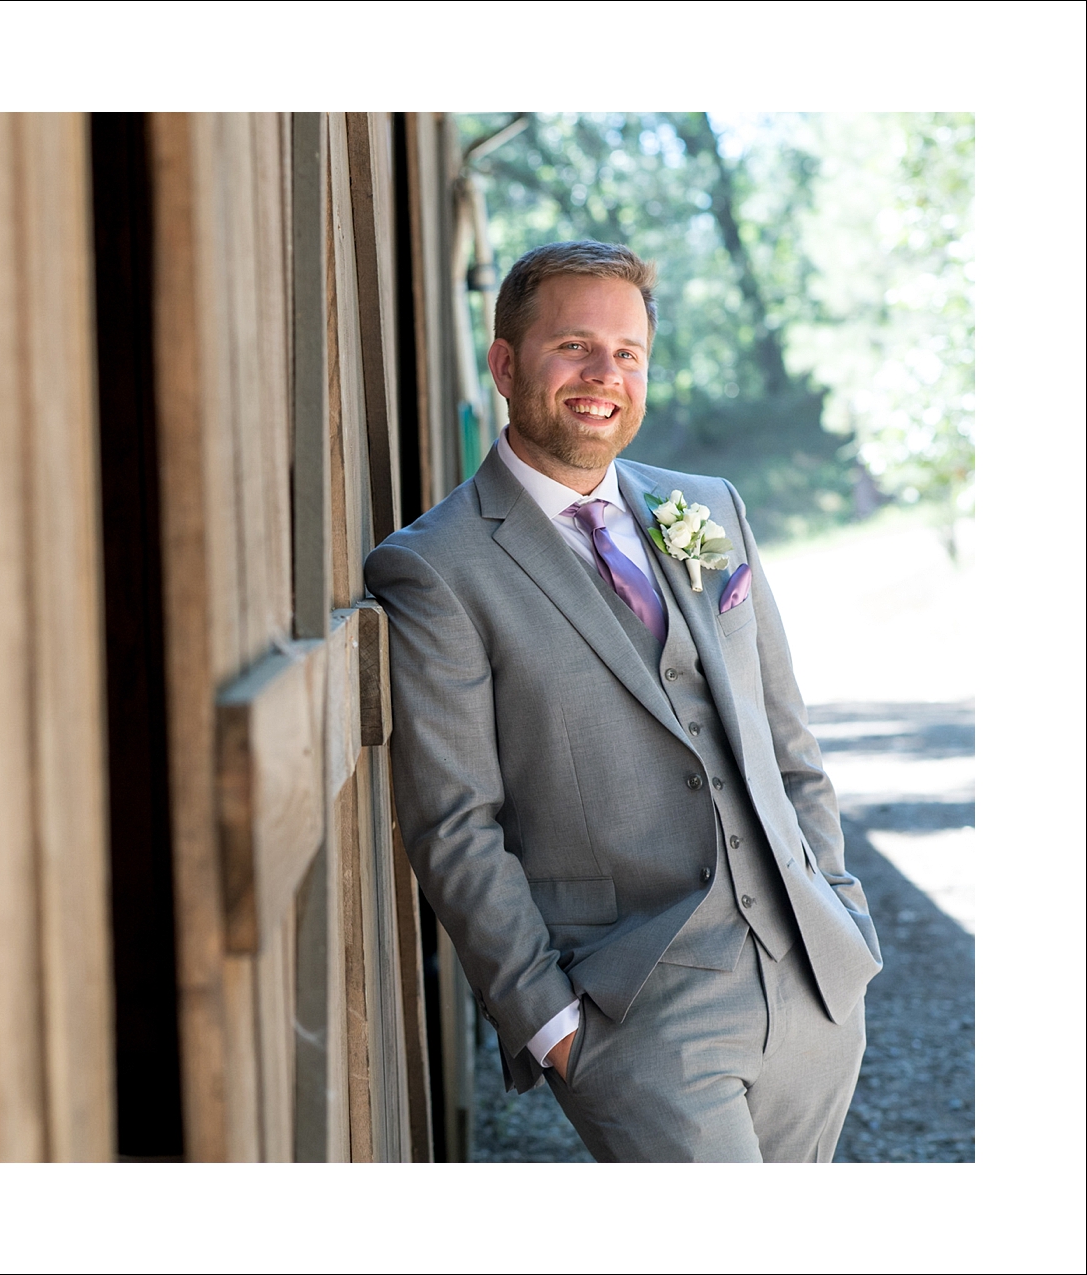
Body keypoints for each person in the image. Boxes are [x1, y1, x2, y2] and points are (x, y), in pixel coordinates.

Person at [363, 240, 882, 1162]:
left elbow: (784, 734)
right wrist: (548, 1021)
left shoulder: (709, 505)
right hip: (638, 1017)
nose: (605, 375)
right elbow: (453, 822)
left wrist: (840, 907)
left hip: (812, 985)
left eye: (628, 352)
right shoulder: (435, 567)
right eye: (574, 346)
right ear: (506, 363)